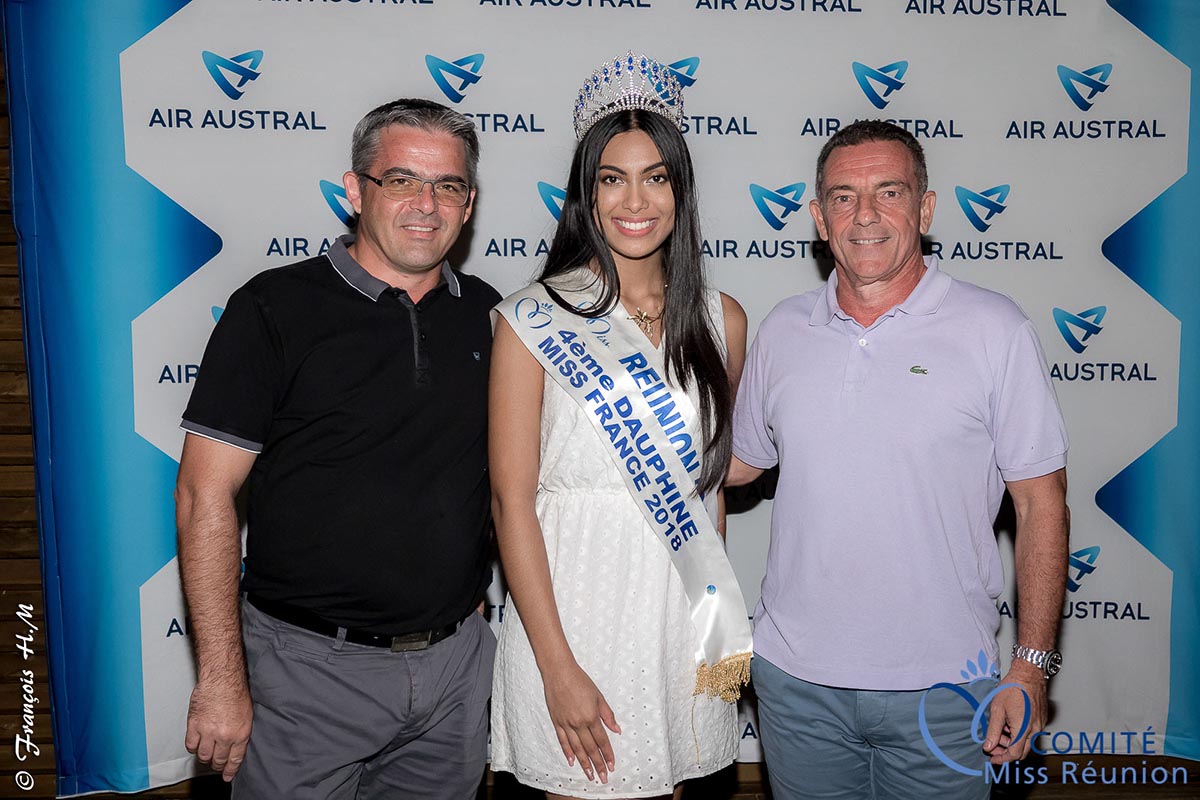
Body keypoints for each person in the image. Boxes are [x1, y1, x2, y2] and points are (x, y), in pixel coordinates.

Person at [729, 119, 1070, 799]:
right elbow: (737, 467)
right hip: (797, 687)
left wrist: (1030, 668)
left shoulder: (995, 330)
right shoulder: (782, 330)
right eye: (844, 197)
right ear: (819, 218)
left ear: (925, 207)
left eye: (889, 192)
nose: (866, 216)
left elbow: (1042, 504)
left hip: (946, 688)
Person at [175, 98, 499, 799]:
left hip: (453, 676)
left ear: (468, 203)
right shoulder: (272, 309)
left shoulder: (489, 315)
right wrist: (222, 678)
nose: (425, 204)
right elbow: (205, 494)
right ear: (355, 191)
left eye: (446, 186)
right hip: (305, 675)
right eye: (401, 180)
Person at [488, 52, 752, 800]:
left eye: (656, 177)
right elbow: (512, 503)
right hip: (574, 614)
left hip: (680, 620)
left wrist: (718, 644)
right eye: (612, 178)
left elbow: (709, 496)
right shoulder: (531, 319)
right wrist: (556, 666)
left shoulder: (721, 319)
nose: (635, 200)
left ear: (681, 189)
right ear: (586, 194)